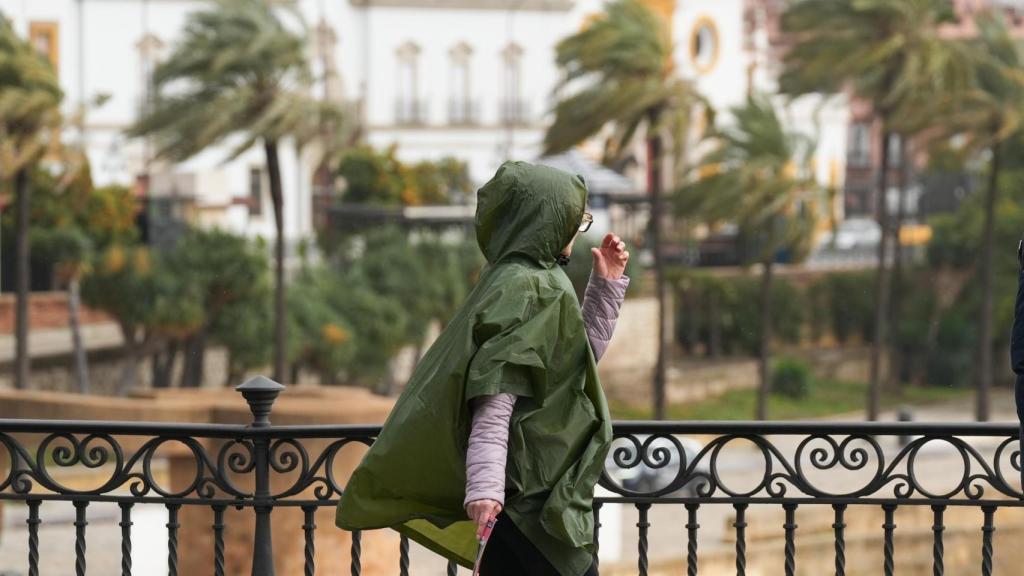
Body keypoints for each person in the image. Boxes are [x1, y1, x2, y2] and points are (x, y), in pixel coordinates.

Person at [335, 161, 630, 576]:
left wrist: (606, 286)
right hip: (529, 496)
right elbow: (495, 394)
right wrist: (486, 488)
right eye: (573, 218)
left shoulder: (520, 278)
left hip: (529, 493)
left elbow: (570, 366)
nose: (577, 230)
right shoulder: (530, 287)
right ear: (545, 218)